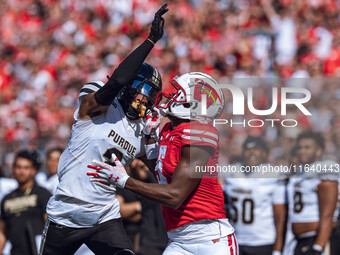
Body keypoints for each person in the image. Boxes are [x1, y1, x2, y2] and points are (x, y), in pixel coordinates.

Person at [39, 4, 168, 255]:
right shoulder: (100, 103)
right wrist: (151, 40)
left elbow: (158, 175)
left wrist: (153, 140)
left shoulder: (143, 127)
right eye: (140, 92)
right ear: (129, 88)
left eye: (149, 96)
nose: (143, 100)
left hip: (103, 217)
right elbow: (117, 81)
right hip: (66, 214)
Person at [87, 72, 238, 255]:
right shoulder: (169, 129)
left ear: (191, 104)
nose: (170, 96)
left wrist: (124, 180)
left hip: (210, 240)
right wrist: (150, 138)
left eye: (177, 93)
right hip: (178, 240)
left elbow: (175, 195)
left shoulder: (200, 133)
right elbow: (161, 175)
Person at [222, 136, 287, 255]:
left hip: (263, 242)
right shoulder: (230, 172)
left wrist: (278, 248)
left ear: (265, 154)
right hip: (236, 240)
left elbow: (280, 217)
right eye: (248, 149)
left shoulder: (274, 175)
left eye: (256, 149)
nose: (251, 152)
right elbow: (224, 209)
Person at [287, 131, 339, 255]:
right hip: (300, 240)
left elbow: (328, 214)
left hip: (317, 238)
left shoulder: (324, 169)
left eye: (307, 147)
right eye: (299, 148)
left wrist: (318, 247)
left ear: (319, 150)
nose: (302, 151)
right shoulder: (301, 172)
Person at [0, 149, 52, 255]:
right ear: (13, 169)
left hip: (38, 251)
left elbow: (50, 227)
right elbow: (2, 233)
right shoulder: (7, 198)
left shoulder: (42, 194)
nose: (22, 171)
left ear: (33, 170)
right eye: (18, 167)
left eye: (26, 168)